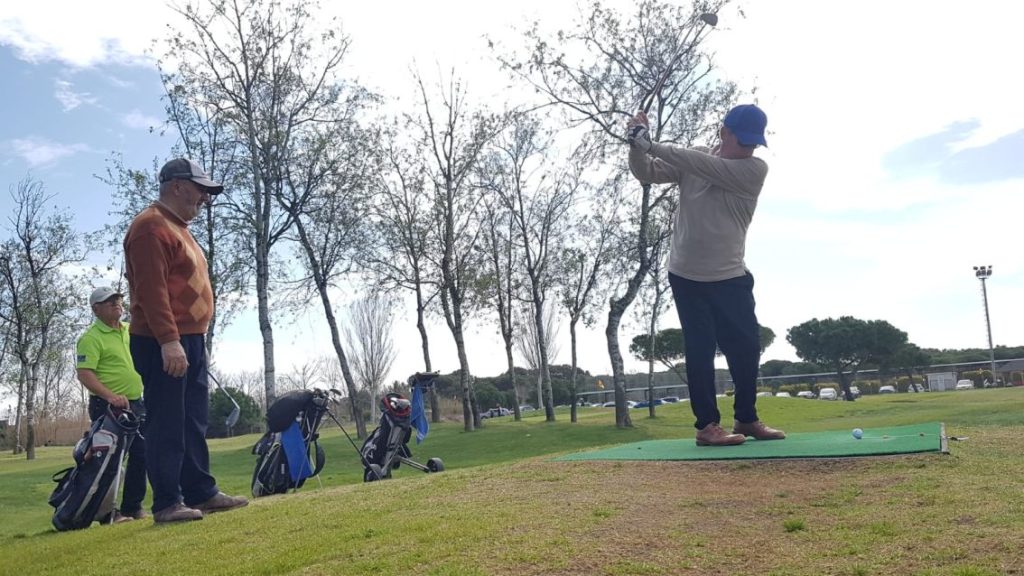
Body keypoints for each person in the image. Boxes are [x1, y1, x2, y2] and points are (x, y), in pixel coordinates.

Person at [625, 104, 785, 447]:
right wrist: (635, 145)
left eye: (754, 143)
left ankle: (746, 417)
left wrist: (650, 143)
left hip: (730, 274)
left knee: (746, 348)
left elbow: (700, 164)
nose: (749, 149)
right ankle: (707, 427)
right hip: (686, 275)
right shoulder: (694, 158)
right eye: (743, 141)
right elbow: (646, 173)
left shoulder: (753, 169)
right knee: (699, 350)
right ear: (724, 132)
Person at [123, 158, 248, 523]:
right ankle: (167, 502)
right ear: (177, 186)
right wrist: (169, 340)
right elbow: (152, 291)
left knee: (192, 420)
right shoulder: (150, 227)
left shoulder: (178, 228)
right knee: (167, 421)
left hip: (189, 338)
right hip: (163, 341)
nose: (205, 198)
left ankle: (201, 493)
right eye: (200, 190)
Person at [75, 285, 148, 522]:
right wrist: (109, 396)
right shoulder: (91, 338)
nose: (116, 303)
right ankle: (107, 513)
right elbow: (85, 374)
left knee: (142, 454)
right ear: (96, 309)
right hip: (107, 407)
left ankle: (132, 507)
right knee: (109, 459)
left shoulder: (129, 330)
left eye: (117, 299)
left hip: (136, 403)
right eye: (109, 301)